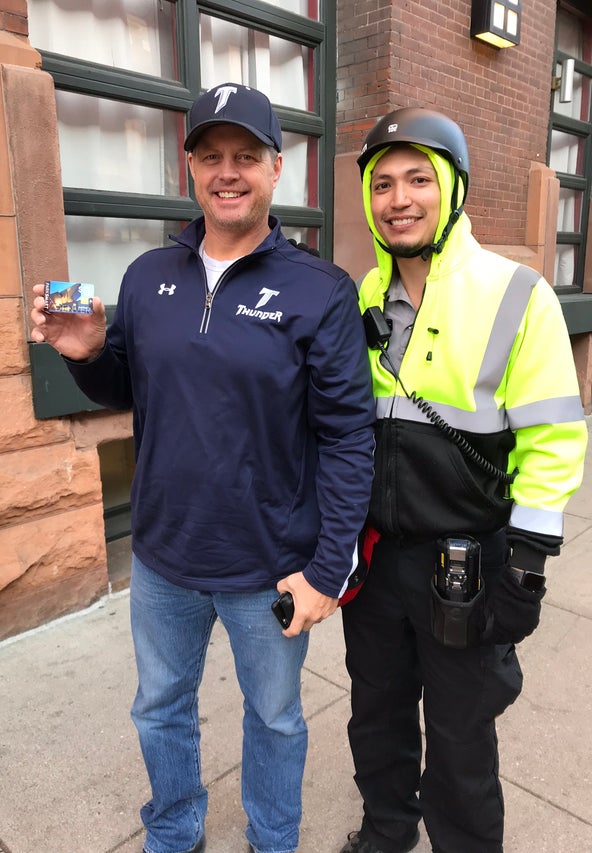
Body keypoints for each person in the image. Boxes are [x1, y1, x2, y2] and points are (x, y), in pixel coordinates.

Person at [30, 82, 376, 853]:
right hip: (164, 558)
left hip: (270, 566)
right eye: (211, 155)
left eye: (246, 156)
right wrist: (86, 354)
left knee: (275, 717)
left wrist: (327, 569)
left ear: (276, 169)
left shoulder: (320, 290)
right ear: (188, 167)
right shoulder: (146, 276)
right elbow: (127, 386)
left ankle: (273, 837)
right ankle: (175, 828)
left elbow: (350, 438)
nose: (228, 172)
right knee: (159, 706)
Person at [340, 107, 588, 853]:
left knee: (460, 739)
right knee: (375, 716)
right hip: (376, 561)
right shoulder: (361, 295)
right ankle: (387, 831)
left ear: (452, 188)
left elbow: (553, 440)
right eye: (382, 184)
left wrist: (527, 565)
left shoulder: (518, 294)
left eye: (419, 179)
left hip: (467, 563)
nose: (399, 199)